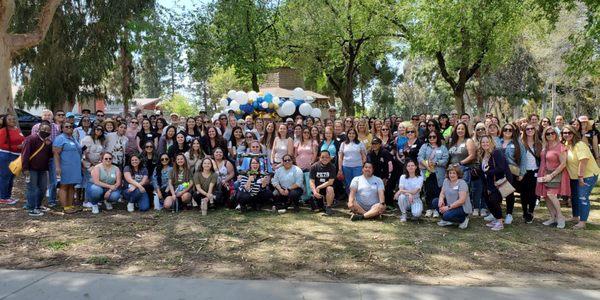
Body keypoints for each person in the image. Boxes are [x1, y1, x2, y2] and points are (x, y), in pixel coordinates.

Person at [562, 125, 600, 229]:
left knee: (582, 197)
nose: (567, 135)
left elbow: (583, 161)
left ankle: (582, 222)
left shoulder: (580, 145)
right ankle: (575, 217)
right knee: (575, 197)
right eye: (564, 133)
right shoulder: (566, 144)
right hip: (574, 177)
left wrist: (580, 177)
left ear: (574, 134)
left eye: (569, 133)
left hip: (587, 176)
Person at [536, 126, 570, 228]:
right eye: (548, 134)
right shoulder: (545, 146)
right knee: (545, 196)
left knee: (551, 194)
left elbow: (563, 164)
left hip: (555, 174)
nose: (550, 135)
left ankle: (560, 217)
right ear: (545, 136)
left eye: (552, 133)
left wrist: (551, 175)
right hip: (543, 173)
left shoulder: (560, 147)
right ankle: (552, 217)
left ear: (556, 134)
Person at [22, 121, 53, 216]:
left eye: (48, 130)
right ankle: (31, 208)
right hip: (31, 169)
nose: (46, 131)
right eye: (43, 129)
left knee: (43, 188)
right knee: (32, 188)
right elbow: (25, 154)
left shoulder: (48, 142)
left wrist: (49, 145)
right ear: (39, 129)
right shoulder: (31, 139)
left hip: (42, 169)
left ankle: (38, 205)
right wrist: (25, 168)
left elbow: (50, 156)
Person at [447, 122, 479, 215]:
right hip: (452, 172)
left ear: (465, 130)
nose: (460, 131)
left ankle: (464, 212)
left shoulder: (468, 141)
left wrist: (460, 163)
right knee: (453, 192)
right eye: (458, 129)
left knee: (462, 192)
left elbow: (472, 156)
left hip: (463, 170)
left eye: (462, 129)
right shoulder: (452, 142)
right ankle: (454, 210)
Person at [498, 123, 526, 225]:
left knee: (509, 192)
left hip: (511, 171)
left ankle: (509, 214)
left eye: (510, 130)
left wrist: (522, 173)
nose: (508, 131)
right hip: (498, 171)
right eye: (505, 129)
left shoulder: (518, 143)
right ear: (502, 130)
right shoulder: (497, 141)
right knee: (498, 192)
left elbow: (523, 158)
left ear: (513, 132)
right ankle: (496, 213)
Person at [417, 130, 449, 218]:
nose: (432, 138)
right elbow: (420, 157)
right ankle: (429, 208)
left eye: (434, 137)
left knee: (438, 191)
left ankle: (436, 209)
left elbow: (446, 159)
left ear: (437, 137)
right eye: (430, 137)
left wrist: (436, 163)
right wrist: (427, 166)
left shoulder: (442, 148)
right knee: (428, 191)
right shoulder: (424, 146)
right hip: (427, 173)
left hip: (439, 173)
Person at [53, 122, 83, 214]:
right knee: (64, 186)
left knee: (71, 185)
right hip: (65, 166)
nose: (69, 128)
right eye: (66, 126)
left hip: (74, 167)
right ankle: (65, 207)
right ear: (62, 129)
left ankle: (70, 205)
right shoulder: (60, 139)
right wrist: (57, 167)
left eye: (71, 126)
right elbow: (56, 154)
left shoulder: (73, 138)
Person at [479, 135, 507, 231]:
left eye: (487, 142)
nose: (485, 144)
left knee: (494, 201)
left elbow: (501, 168)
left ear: (491, 142)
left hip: (496, 182)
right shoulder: (483, 154)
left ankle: (500, 222)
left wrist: (488, 172)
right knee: (488, 200)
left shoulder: (496, 153)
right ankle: (496, 219)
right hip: (487, 183)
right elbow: (482, 169)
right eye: (483, 142)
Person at [433, 164, 472, 229]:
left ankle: (463, 220)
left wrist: (447, 208)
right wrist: (441, 200)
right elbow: (442, 193)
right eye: (450, 173)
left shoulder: (462, 183)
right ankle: (448, 220)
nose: (451, 175)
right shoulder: (446, 181)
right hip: (450, 205)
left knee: (446, 215)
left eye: (454, 173)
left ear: (458, 174)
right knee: (435, 201)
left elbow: (461, 201)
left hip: (461, 207)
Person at [0, 114, 25, 204]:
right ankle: (2, 197)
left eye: (13, 119)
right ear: (5, 121)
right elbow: (2, 145)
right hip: (6, 156)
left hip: (16, 156)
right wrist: (17, 147)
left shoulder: (16, 129)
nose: (12, 120)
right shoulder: (3, 131)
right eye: (9, 119)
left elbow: (22, 139)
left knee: (11, 177)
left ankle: (8, 196)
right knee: (5, 177)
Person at [520, 124, 542, 223]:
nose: (529, 130)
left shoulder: (539, 143)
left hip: (535, 171)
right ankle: (525, 212)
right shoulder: (521, 143)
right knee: (524, 193)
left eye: (532, 128)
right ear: (524, 131)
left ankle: (531, 212)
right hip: (524, 171)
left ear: (535, 130)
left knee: (533, 193)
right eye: (527, 129)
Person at [338, 128, 367, 193]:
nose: (351, 135)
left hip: (358, 167)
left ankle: (357, 199)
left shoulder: (360, 143)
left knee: (357, 184)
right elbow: (340, 157)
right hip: (346, 167)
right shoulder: (343, 144)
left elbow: (364, 156)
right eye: (350, 133)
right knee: (348, 184)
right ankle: (350, 199)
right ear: (347, 134)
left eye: (353, 133)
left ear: (356, 134)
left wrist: (363, 166)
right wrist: (340, 168)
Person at [368, 138, 394, 206]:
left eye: (376, 144)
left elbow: (390, 166)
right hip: (377, 174)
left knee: (388, 188)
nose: (374, 145)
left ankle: (390, 204)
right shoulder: (371, 153)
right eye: (373, 144)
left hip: (387, 174)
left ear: (380, 144)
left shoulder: (385, 152)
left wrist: (386, 177)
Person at [309, 150, 337, 215]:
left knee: (330, 189)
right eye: (322, 157)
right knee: (316, 209)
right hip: (317, 190)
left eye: (327, 157)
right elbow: (311, 181)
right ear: (319, 158)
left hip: (326, 188)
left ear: (330, 158)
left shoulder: (332, 167)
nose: (325, 159)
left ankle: (328, 207)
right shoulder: (314, 166)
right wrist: (314, 192)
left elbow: (330, 182)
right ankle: (321, 206)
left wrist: (319, 187)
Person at [294, 126, 318, 201]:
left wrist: (312, 163)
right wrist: (296, 164)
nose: (306, 134)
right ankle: (301, 198)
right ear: (302, 133)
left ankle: (309, 198)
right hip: (299, 166)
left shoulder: (313, 142)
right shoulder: (298, 142)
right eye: (304, 132)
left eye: (308, 132)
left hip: (309, 166)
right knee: (301, 183)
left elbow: (315, 154)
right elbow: (295, 155)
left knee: (308, 183)